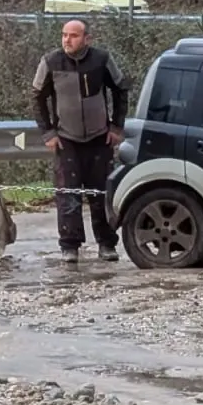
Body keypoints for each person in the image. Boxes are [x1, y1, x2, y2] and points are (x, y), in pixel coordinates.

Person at [31, 19, 132, 263]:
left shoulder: (102, 59)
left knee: (101, 194)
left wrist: (117, 127)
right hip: (66, 140)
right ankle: (70, 247)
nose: (67, 40)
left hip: (99, 138)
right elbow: (37, 97)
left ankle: (107, 245)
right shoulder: (50, 62)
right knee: (68, 195)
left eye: (74, 35)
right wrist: (48, 133)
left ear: (87, 38)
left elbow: (121, 90)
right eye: (64, 35)